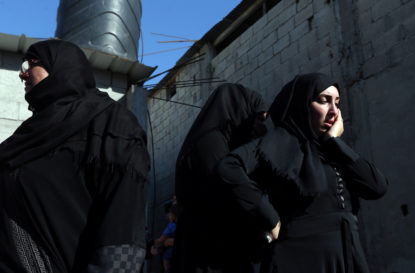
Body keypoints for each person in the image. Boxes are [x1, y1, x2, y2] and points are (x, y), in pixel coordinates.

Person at [0, 39, 150, 273]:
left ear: (60, 66)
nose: (23, 74)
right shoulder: (29, 134)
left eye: (30, 65)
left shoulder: (110, 124)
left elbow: (123, 223)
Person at [217, 73, 389, 273]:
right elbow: (229, 166)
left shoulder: (333, 150)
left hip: (346, 255)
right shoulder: (280, 142)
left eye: (337, 103)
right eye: (323, 101)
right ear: (303, 104)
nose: (334, 111)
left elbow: (377, 187)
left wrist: (335, 143)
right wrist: (268, 216)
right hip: (297, 258)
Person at [171, 83, 269, 273]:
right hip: (207, 251)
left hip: (211, 247)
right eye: (257, 119)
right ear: (240, 111)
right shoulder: (210, 144)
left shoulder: (212, 141)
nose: (259, 128)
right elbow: (227, 197)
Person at [151, 204, 179, 273]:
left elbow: (161, 239)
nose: (168, 216)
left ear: (173, 216)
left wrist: (153, 244)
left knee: (166, 255)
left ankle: (166, 270)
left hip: (174, 248)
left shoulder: (171, 226)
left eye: (169, 215)